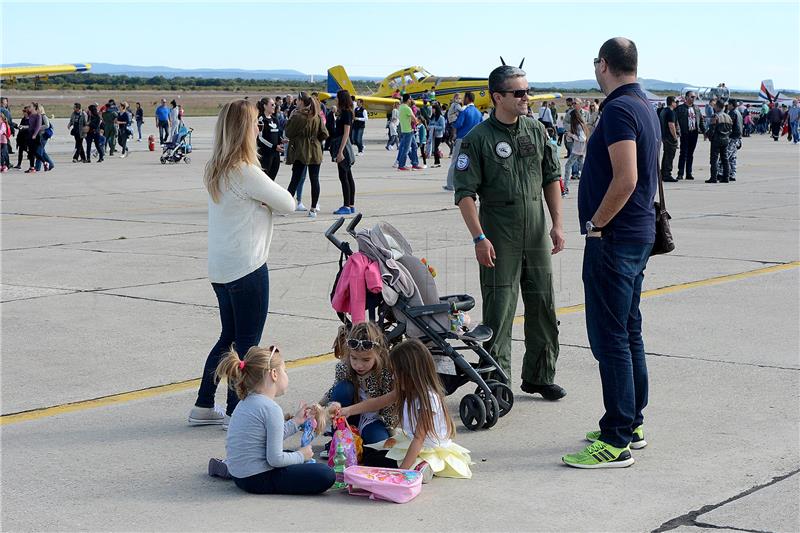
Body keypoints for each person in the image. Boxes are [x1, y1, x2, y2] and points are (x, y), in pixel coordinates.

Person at [563, 37, 659, 469]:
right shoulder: (643, 105)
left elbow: (627, 178)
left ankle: (616, 438)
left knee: (611, 339)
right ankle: (631, 422)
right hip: (635, 237)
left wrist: (595, 224)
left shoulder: (619, 109)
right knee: (629, 331)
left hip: (615, 240)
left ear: (603, 65)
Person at [453, 64, 565, 398]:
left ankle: (540, 375)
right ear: (497, 97)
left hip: (536, 229)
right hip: (499, 232)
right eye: (518, 93)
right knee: (500, 308)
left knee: (543, 303)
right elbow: (465, 195)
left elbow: (551, 177)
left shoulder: (535, 130)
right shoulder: (478, 140)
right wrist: (478, 237)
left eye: (527, 91)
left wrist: (557, 224)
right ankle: (496, 380)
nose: (525, 98)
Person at [188, 99, 296, 428]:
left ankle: (204, 405)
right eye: (254, 124)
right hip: (247, 268)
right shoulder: (246, 172)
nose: (258, 128)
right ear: (244, 130)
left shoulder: (217, 170)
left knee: (228, 340)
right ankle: (236, 410)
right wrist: (264, 202)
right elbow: (289, 203)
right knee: (247, 345)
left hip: (221, 269)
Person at [338, 339, 472, 480]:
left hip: (427, 449)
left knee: (375, 460)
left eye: (396, 372)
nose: (393, 376)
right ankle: (416, 465)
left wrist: (401, 473)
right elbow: (378, 402)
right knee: (368, 453)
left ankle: (421, 467)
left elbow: (419, 439)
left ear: (411, 373)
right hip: (411, 441)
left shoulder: (428, 398)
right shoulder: (406, 389)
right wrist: (349, 410)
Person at [210, 345, 335, 494]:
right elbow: (275, 460)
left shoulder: (245, 402)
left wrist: (296, 421)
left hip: (240, 474)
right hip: (258, 478)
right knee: (325, 473)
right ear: (274, 374)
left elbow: (271, 438)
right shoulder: (271, 408)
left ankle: (227, 467)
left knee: (290, 453)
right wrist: (301, 455)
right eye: (285, 371)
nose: (287, 376)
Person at [321, 322, 396, 447]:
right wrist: (318, 407)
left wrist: (391, 433)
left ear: (378, 354)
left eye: (366, 360)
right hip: (348, 416)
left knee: (379, 444)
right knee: (343, 388)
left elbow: (389, 406)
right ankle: (338, 438)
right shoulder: (344, 367)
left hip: (374, 419)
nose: (358, 365)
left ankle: (358, 441)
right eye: (354, 358)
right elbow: (334, 391)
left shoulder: (386, 371)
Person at [284, 92, 327, 218]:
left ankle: (286, 206)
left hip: (301, 151)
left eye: (297, 100)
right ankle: (313, 209)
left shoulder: (298, 116)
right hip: (315, 150)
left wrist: (291, 118)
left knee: (295, 179)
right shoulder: (316, 116)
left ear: (301, 101)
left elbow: (288, 132)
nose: (296, 102)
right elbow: (324, 133)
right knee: (315, 179)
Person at [444, 91, 481, 191]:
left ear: (468, 99)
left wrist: (453, 125)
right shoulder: (478, 112)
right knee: (471, 163)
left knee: (455, 162)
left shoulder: (465, 111)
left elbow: (459, 124)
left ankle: (450, 184)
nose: (462, 100)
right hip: (474, 140)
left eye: (464, 98)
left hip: (462, 138)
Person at [332, 90, 357, 215]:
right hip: (342, 145)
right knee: (348, 175)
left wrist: (340, 151)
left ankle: (346, 205)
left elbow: (346, 133)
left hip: (343, 147)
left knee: (344, 176)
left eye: (337, 98)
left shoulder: (346, 113)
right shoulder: (343, 112)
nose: (335, 100)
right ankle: (351, 204)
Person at [674, 90, 704, 180]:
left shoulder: (697, 108)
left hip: (694, 133)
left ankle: (689, 173)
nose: (693, 98)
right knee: (683, 153)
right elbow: (675, 121)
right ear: (686, 98)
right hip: (685, 133)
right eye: (692, 97)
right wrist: (677, 131)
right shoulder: (680, 109)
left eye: (694, 97)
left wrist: (705, 131)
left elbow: (701, 120)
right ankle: (680, 173)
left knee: (690, 154)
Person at [256, 97, 283, 180]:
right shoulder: (261, 120)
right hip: (265, 155)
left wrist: (281, 140)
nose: (274, 106)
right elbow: (260, 138)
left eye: (274, 104)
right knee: (264, 179)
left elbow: (277, 134)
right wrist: (274, 146)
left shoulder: (275, 119)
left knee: (272, 179)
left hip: (275, 155)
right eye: (272, 104)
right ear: (265, 106)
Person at [706, 99, 732, 184]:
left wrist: (709, 136)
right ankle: (726, 177)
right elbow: (730, 129)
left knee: (714, 159)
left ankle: (713, 177)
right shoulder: (728, 116)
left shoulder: (715, 116)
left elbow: (712, 129)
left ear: (717, 107)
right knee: (725, 159)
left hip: (717, 140)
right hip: (725, 139)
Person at [396, 94, 423, 171]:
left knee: (414, 147)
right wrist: (417, 121)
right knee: (406, 149)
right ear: (408, 100)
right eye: (410, 99)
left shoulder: (400, 107)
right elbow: (414, 120)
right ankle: (401, 165)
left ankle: (415, 163)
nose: (411, 100)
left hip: (404, 130)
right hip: (408, 130)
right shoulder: (407, 108)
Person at [564, 108, 588, 186]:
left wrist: (572, 135)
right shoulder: (581, 124)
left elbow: (582, 138)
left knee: (568, 165)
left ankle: (565, 186)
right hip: (581, 149)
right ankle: (588, 182)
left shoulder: (578, 126)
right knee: (582, 166)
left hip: (578, 149)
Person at [31, 103, 55, 173]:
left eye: (37, 109)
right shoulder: (38, 116)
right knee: (42, 152)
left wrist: (38, 128)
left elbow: (47, 125)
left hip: (43, 136)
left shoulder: (43, 116)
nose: (36, 110)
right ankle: (50, 164)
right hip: (40, 136)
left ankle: (38, 167)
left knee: (39, 151)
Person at [660, 96, 680, 182]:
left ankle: (663, 173)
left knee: (666, 155)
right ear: (672, 102)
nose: (677, 103)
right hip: (670, 137)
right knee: (670, 156)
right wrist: (675, 137)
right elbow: (671, 125)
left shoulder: (663, 111)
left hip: (664, 136)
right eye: (676, 102)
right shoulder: (671, 112)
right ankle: (667, 174)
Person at [725, 100, 743, 182]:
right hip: (737, 138)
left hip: (732, 138)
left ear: (731, 105)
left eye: (728, 104)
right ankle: (732, 174)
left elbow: (729, 125)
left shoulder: (732, 113)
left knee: (726, 156)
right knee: (733, 158)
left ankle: (722, 173)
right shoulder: (738, 112)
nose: (727, 106)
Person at [429, 102, 446, 167]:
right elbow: (430, 124)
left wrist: (434, 127)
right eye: (432, 109)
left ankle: (437, 162)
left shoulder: (441, 118)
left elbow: (442, 127)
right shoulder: (432, 117)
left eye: (433, 109)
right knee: (434, 149)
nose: (432, 110)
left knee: (436, 148)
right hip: (432, 135)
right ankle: (436, 162)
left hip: (438, 135)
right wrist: (429, 127)